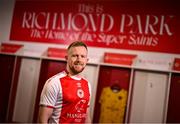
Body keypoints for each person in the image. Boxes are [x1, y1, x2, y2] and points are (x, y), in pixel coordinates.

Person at [38, 41, 91, 123]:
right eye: (74, 56)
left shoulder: (87, 84)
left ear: (87, 60)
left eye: (82, 56)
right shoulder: (54, 82)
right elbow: (42, 119)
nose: (79, 59)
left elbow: (86, 117)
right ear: (66, 58)